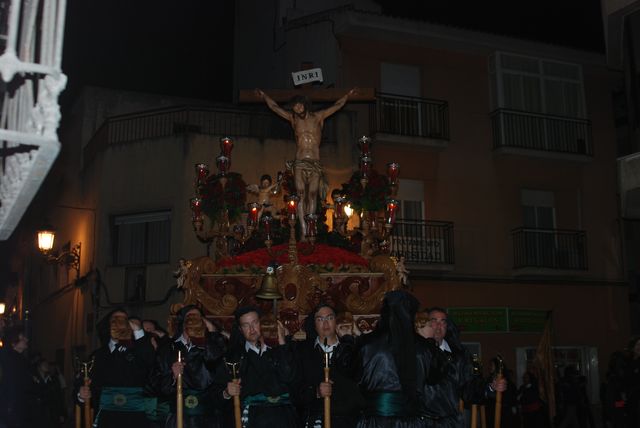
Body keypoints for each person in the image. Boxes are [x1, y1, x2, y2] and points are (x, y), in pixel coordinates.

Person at [256, 87, 356, 237]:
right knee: (301, 194)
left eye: (299, 105)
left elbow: (336, 106)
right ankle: (303, 230)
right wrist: (265, 96)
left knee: (313, 194)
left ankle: (311, 228)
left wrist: (347, 95)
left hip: (315, 161)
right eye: (295, 107)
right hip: (300, 160)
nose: (297, 108)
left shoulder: (318, 117)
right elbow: (275, 108)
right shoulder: (293, 119)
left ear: (304, 105)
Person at [355, 290, 443, 428]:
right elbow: (434, 378)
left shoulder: (366, 343)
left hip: (377, 421)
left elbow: (353, 375)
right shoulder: (424, 348)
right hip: (406, 420)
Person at [417, 307, 506, 428]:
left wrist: (490, 386)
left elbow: (469, 389)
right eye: (434, 320)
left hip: (449, 422)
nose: (439, 325)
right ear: (426, 324)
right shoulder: (417, 352)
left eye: (443, 321)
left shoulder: (459, 356)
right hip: (420, 422)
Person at [220, 306, 298, 428]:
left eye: (255, 322)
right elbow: (216, 395)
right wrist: (227, 393)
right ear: (240, 329)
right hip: (253, 419)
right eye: (246, 325)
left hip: (283, 417)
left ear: (262, 323)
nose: (252, 329)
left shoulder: (283, 349)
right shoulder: (233, 357)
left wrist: (282, 342)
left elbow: (289, 377)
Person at [76, 308, 155, 428]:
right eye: (115, 320)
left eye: (123, 320)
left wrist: (138, 331)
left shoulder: (139, 352)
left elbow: (150, 362)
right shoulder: (98, 356)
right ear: (108, 326)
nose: (119, 324)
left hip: (135, 419)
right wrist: (81, 395)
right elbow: (86, 382)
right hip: (107, 419)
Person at [154, 305, 227, 428]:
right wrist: (173, 376)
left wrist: (208, 335)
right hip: (178, 417)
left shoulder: (211, 346)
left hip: (207, 418)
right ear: (182, 321)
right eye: (189, 317)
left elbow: (216, 367)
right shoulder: (168, 348)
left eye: (198, 317)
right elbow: (158, 386)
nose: (193, 320)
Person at [293, 303, 363, 428]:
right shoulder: (302, 352)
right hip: (315, 420)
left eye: (330, 318)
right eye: (320, 319)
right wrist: (316, 393)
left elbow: (361, 386)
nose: (325, 324)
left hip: (348, 421)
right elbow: (295, 392)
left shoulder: (351, 350)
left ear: (336, 321)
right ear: (314, 324)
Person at [0, 325, 31, 428]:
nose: (26, 339)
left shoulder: (21, 361)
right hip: (9, 413)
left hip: (17, 411)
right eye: (22, 338)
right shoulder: (7, 359)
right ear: (14, 343)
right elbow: (10, 385)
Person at [31, 357, 67, 428]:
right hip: (40, 414)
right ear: (39, 367)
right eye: (44, 364)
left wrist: (61, 413)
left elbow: (58, 396)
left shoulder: (53, 380)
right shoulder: (34, 380)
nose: (46, 366)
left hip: (52, 414)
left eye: (47, 364)